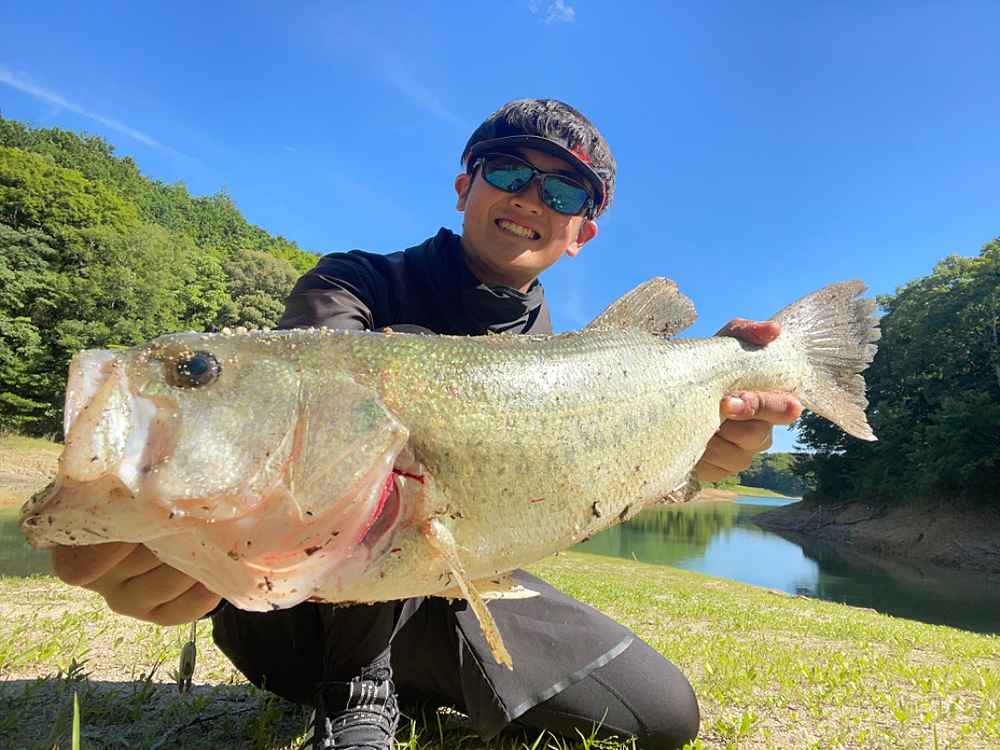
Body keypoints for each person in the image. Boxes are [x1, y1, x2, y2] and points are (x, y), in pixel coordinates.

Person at [50, 99, 801, 750]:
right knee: (386, 451)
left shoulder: (570, 363)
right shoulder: (352, 283)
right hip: (293, 616)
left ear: (581, 233)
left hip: (448, 583)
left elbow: (605, 492)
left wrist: (698, 454)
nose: (530, 197)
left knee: (662, 715)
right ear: (465, 185)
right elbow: (316, 422)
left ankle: (419, 683)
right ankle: (357, 690)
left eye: (563, 189)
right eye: (508, 171)